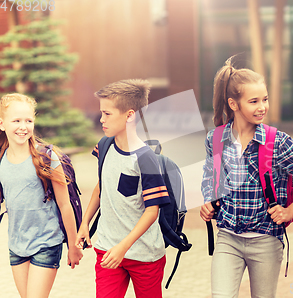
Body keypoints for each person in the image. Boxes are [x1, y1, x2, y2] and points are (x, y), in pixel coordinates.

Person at [200, 57, 293, 298]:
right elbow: (210, 179)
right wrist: (208, 202)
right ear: (233, 104)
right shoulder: (215, 139)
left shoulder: (278, 142)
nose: (262, 107)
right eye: (254, 101)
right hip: (227, 238)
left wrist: (291, 210)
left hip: (266, 240)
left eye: (265, 99)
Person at [75, 79, 170, 298]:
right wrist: (85, 224)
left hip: (144, 255)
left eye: (107, 114)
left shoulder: (146, 158)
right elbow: (102, 186)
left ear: (129, 115)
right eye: (101, 113)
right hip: (108, 249)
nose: (101, 119)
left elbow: (152, 211)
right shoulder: (104, 145)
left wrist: (123, 248)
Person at [0, 93, 83, 298]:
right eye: (16, 120)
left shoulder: (47, 157)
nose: (23, 126)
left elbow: (65, 205)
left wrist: (73, 246)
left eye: (29, 120)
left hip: (46, 242)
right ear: (2, 124)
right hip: (17, 245)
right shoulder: (1, 159)